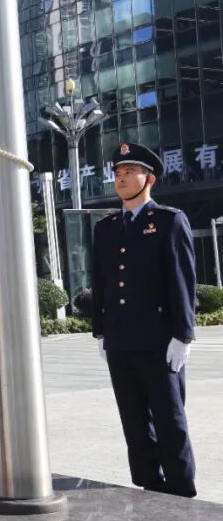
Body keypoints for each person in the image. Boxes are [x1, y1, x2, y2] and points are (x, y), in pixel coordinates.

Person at [92, 142, 197, 498]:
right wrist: (100, 331)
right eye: (117, 173)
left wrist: (183, 335)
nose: (120, 179)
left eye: (129, 172)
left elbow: (182, 280)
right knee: (133, 419)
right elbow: (101, 281)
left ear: (149, 178)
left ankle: (181, 487)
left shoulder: (168, 221)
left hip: (159, 340)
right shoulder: (106, 227)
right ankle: (147, 484)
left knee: (169, 418)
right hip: (120, 339)